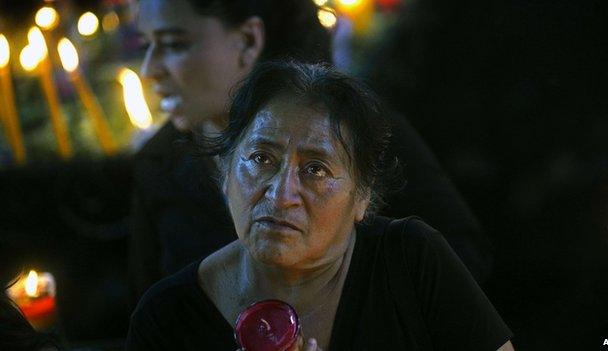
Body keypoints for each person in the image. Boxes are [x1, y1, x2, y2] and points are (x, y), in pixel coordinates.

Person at [127, 61, 513, 350]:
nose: (280, 195)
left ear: (362, 197)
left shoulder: (411, 263)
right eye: (261, 158)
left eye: (315, 169)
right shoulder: (168, 318)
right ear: (225, 174)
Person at [131, 0, 491, 298]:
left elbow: (458, 262)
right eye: (145, 44)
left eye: (174, 44)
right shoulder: (159, 166)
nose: (150, 69)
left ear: (247, 40)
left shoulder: (354, 129)